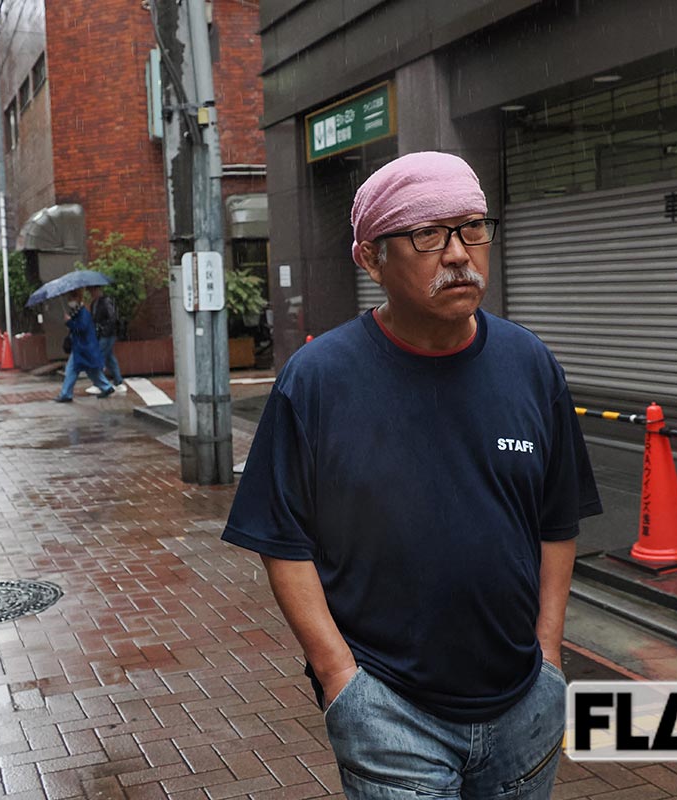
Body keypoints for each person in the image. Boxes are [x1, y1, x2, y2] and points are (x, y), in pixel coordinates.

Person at [221, 152, 601, 799]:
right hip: (389, 711)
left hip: (522, 706)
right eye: (429, 234)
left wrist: (550, 657)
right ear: (372, 259)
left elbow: (556, 520)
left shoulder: (530, 364)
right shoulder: (318, 382)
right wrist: (340, 679)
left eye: (472, 227)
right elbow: (283, 542)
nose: (458, 253)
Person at [55, 289, 115, 401]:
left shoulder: (82, 313)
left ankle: (66, 394)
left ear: (77, 299)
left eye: (71, 299)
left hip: (83, 348)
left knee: (72, 370)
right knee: (90, 371)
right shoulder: (80, 312)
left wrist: (69, 322)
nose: (70, 301)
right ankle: (106, 387)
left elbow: (81, 328)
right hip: (83, 348)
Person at [86, 284, 126, 394]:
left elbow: (112, 318)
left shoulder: (106, 302)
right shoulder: (94, 304)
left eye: (93, 291)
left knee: (99, 357)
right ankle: (118, 382)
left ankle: (99, 383)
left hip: (108, 334)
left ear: (99, 290)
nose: (92, 293)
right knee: (109, 358)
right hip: (101, 334)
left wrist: (105, 330)